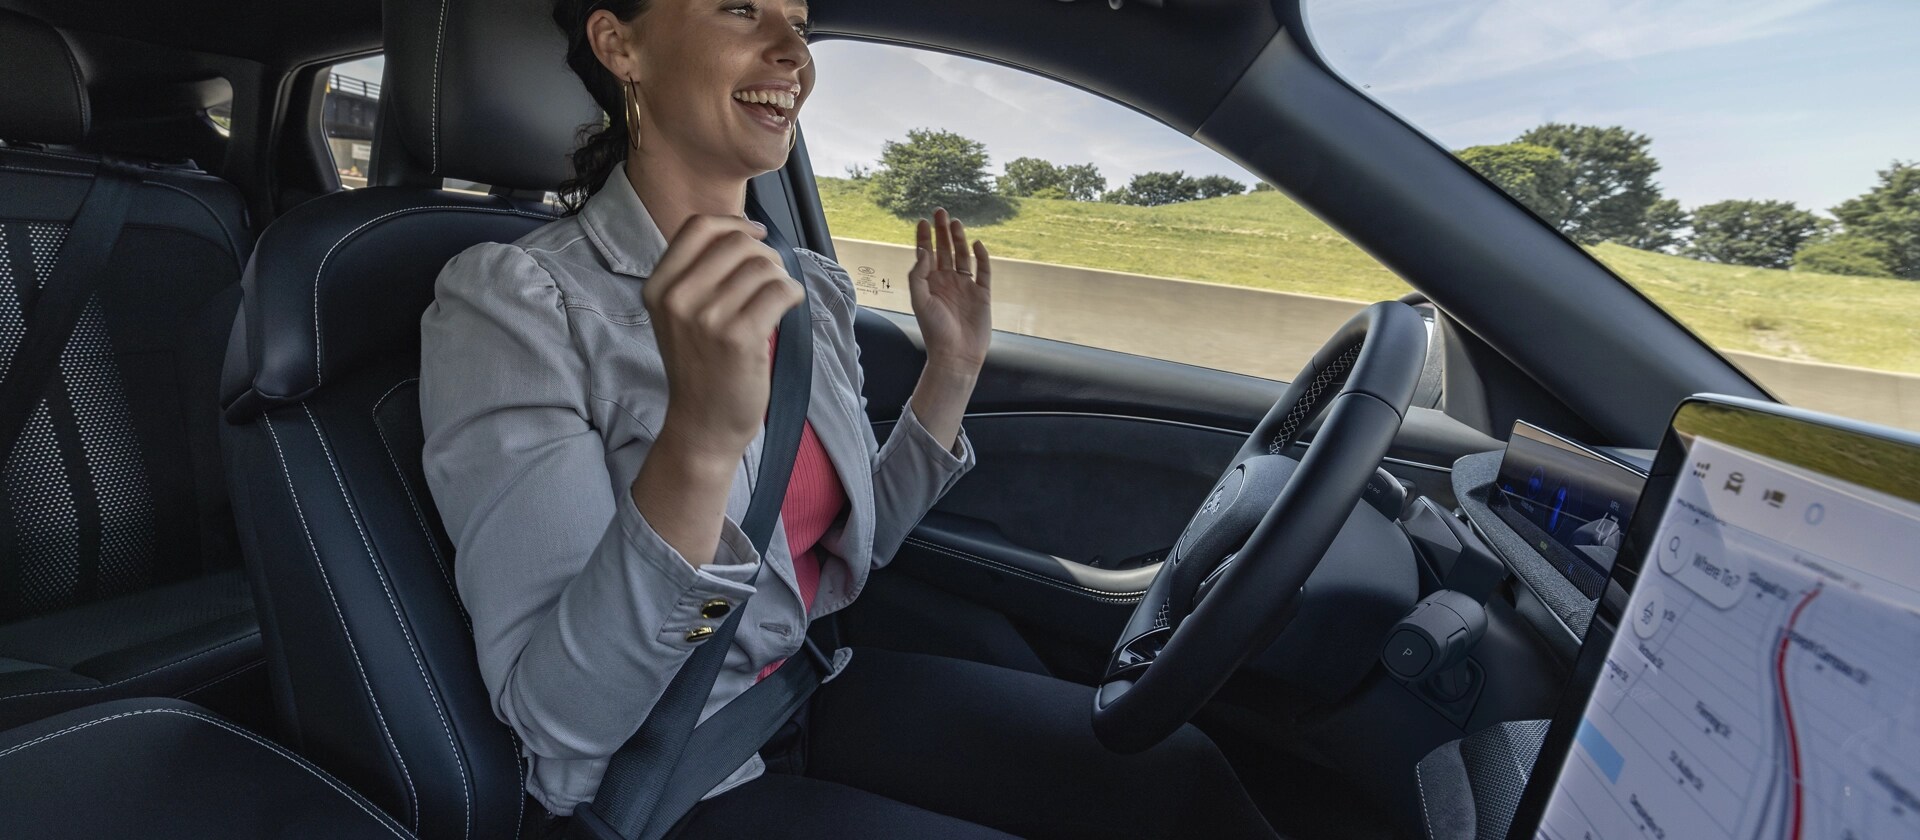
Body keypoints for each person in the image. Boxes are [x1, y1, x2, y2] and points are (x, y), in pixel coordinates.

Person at [419, 1, 1282, 836]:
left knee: (1175, 771)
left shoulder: (811, 289)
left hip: (803, 687)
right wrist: (699, 444)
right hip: (668, 780)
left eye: (797, 24)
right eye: (739, 9)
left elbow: (845, 556)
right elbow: (561, 724)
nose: (793, 51)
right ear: (619, 45)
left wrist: (953, 369)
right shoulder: (519, 300)